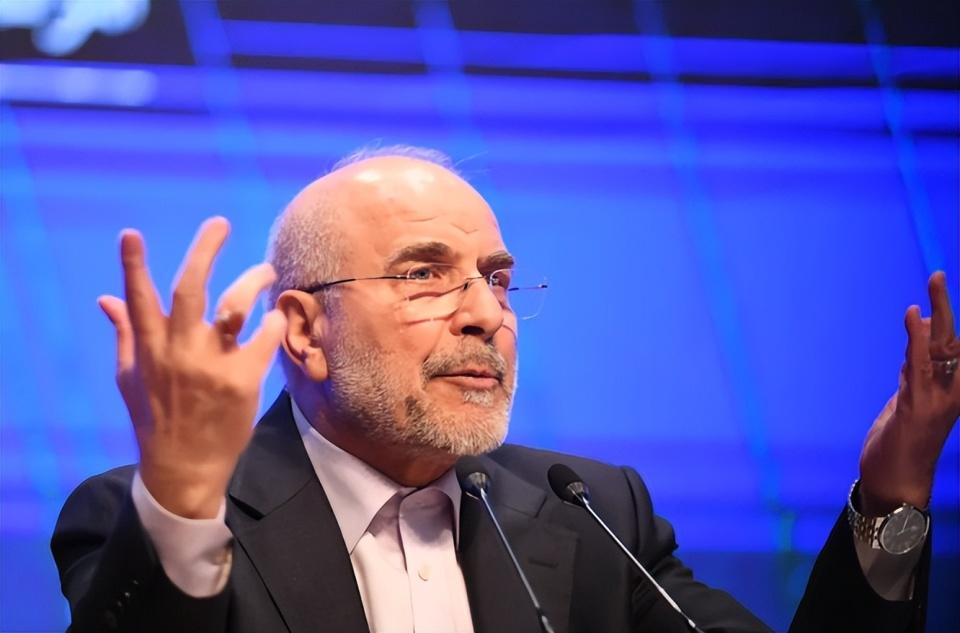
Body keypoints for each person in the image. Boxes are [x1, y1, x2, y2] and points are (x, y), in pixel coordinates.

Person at [52, 147, 960, 633]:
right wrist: (182, 496)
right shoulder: (147, 521)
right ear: (302, 329)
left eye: (496, 278)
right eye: (425, 274)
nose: (487, 314)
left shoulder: (592, 513)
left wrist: (894, 495)